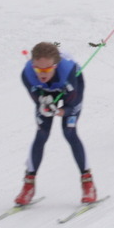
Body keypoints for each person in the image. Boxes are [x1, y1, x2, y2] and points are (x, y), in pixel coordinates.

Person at [14, 42, 97, 206]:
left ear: (56, 65)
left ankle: (88, 183)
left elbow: (73, 103)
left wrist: (60, 111)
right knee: (41, 135)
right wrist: (42, 104)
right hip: (45, 91)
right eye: (38, 69)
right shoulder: (28, 74)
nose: (41, 73)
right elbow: (36, 97)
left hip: (69, 90)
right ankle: (28, 185)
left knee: (69, 132)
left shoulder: (69, 71)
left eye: (46, 69)